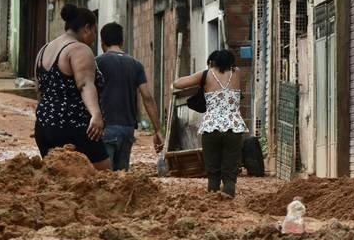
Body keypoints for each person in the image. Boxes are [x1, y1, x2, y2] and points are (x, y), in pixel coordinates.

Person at [33, 5, 110, 171]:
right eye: (94, 32)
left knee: (58, 180)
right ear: (87, 28)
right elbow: (85, 85)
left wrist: (44, 116)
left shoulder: (43, 50)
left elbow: (39, 89)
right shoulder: (79, 49)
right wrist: (96, 114)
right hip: (74, 126)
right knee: (104, 177)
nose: (94, 37)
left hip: (44, 127)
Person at [173, 49, 248, 196]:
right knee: (230, 173)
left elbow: (177, 83)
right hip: (233, 128)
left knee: (213, 172)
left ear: (211, 63)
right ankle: (229, 201)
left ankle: (213, 201)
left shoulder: (206, 74)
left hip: (211, 128)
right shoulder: (237, 73)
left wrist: (202, 80)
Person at [95, 22, 164, 171]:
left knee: (104, 178)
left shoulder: (97, 63)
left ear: (102, 42)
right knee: (122, 179)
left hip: (104, 128)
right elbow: (147, 97)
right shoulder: (136, 64)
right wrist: (158, 130)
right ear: (122, 42)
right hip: (127, 130)